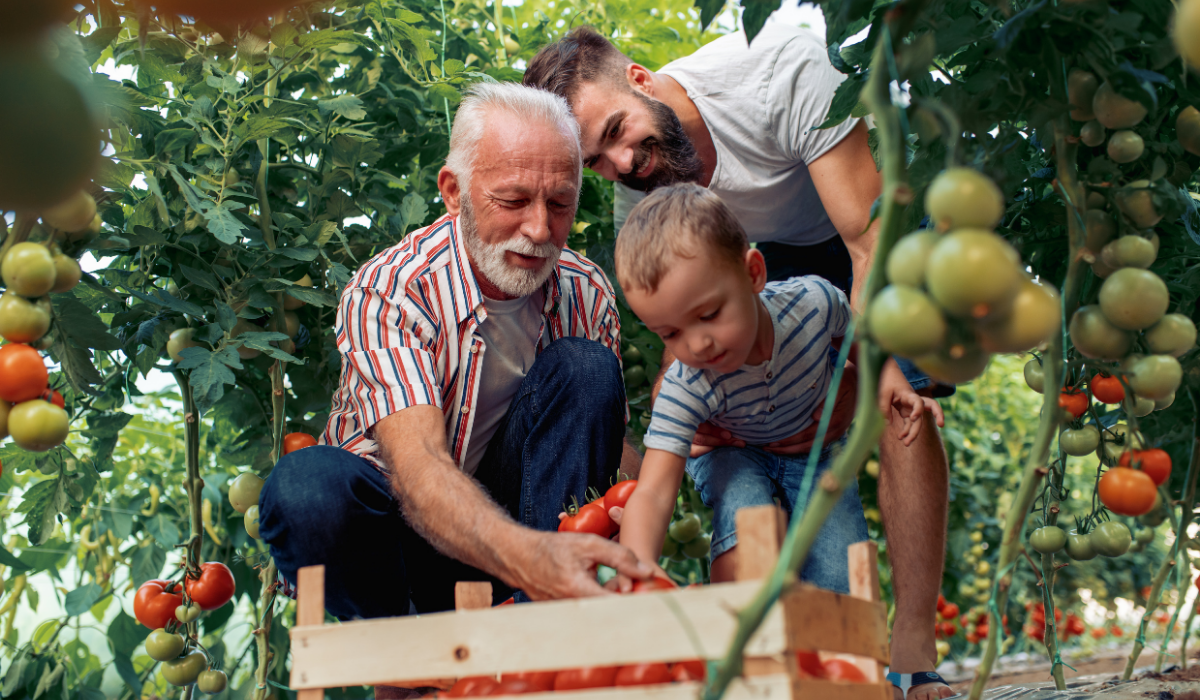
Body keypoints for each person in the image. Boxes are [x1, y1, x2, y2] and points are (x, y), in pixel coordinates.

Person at [525, 24, 953, 700]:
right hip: (749, 255)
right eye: (597, 163)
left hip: (863, 220)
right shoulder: (644, 186)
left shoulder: (780, 72)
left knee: (901, 401)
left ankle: (914, 647)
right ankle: (784, 653)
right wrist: (654, 468)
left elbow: (867, 250)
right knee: (730, 412)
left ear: (639, 77)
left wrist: (874, 374)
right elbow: (675, 330)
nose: (622, 164)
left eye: (616, 132)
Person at [258, 83, 651, 640]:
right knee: (307, 490)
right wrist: (534, 556)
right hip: (400, 544)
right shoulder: (392, 290)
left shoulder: (585, 291)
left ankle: (547, 634)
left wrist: (671, 456)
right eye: (513, 201)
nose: (540, 229)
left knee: (586, 368)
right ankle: (398, 657)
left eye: (560, 203)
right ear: (453, 191)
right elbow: (418, 470)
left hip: (522, 541)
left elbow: (604, 454)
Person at [614, 183, 930, 592]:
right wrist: (637, 568)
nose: (697, 344)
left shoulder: (813, 303)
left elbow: (858, 341)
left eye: (709, 314)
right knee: (746, 523)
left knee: (840, 572)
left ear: (753, 274)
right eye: (670, 333)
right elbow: (654, 493)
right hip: (733, 453)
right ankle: (739, 631)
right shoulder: (686, 385)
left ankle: (843, 653)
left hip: (811, 452)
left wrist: (892, 381)